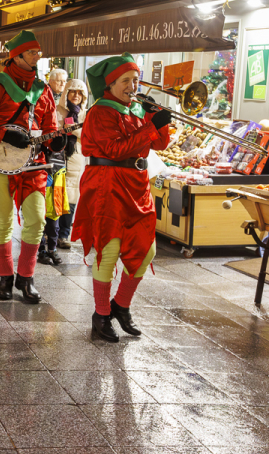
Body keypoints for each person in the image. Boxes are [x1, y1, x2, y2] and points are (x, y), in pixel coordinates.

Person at [71, 53, 171, 342]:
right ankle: (101, 315)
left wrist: (157, 118)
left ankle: (121, 306)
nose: (132, 85)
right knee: (109, 250)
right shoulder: (100, 112)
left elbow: (160, 144)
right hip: (109, 185)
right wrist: (151, 126)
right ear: (111, 84)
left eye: (135, 79)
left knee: (146, 249)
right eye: (126, 80)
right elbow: (115, 149)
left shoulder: (136, 109)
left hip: (137, 186)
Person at [0, 30, 66, 304]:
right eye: (32, 52)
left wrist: (55, 141)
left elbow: (49, 127)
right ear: (17, 55)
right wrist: (3, 134)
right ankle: (5, 277)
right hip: (0, 163)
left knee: (37, 220)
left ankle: (27, 277)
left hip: (33, 164)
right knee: (2, 221)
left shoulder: (43, 89)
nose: (38, 56)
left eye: (38, 52)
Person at [53, 79, 88, 248]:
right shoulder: (57, 110)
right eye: (73, 91)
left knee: (71, 195)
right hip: (57, 156)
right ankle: (51, 232)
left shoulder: (86, 113)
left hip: (75, 158)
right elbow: (51, 129)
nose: (76, 96)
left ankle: (64, 234)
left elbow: (90, 135)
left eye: (80, 93)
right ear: (66, 93)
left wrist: (73, 129)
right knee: (55, 193)